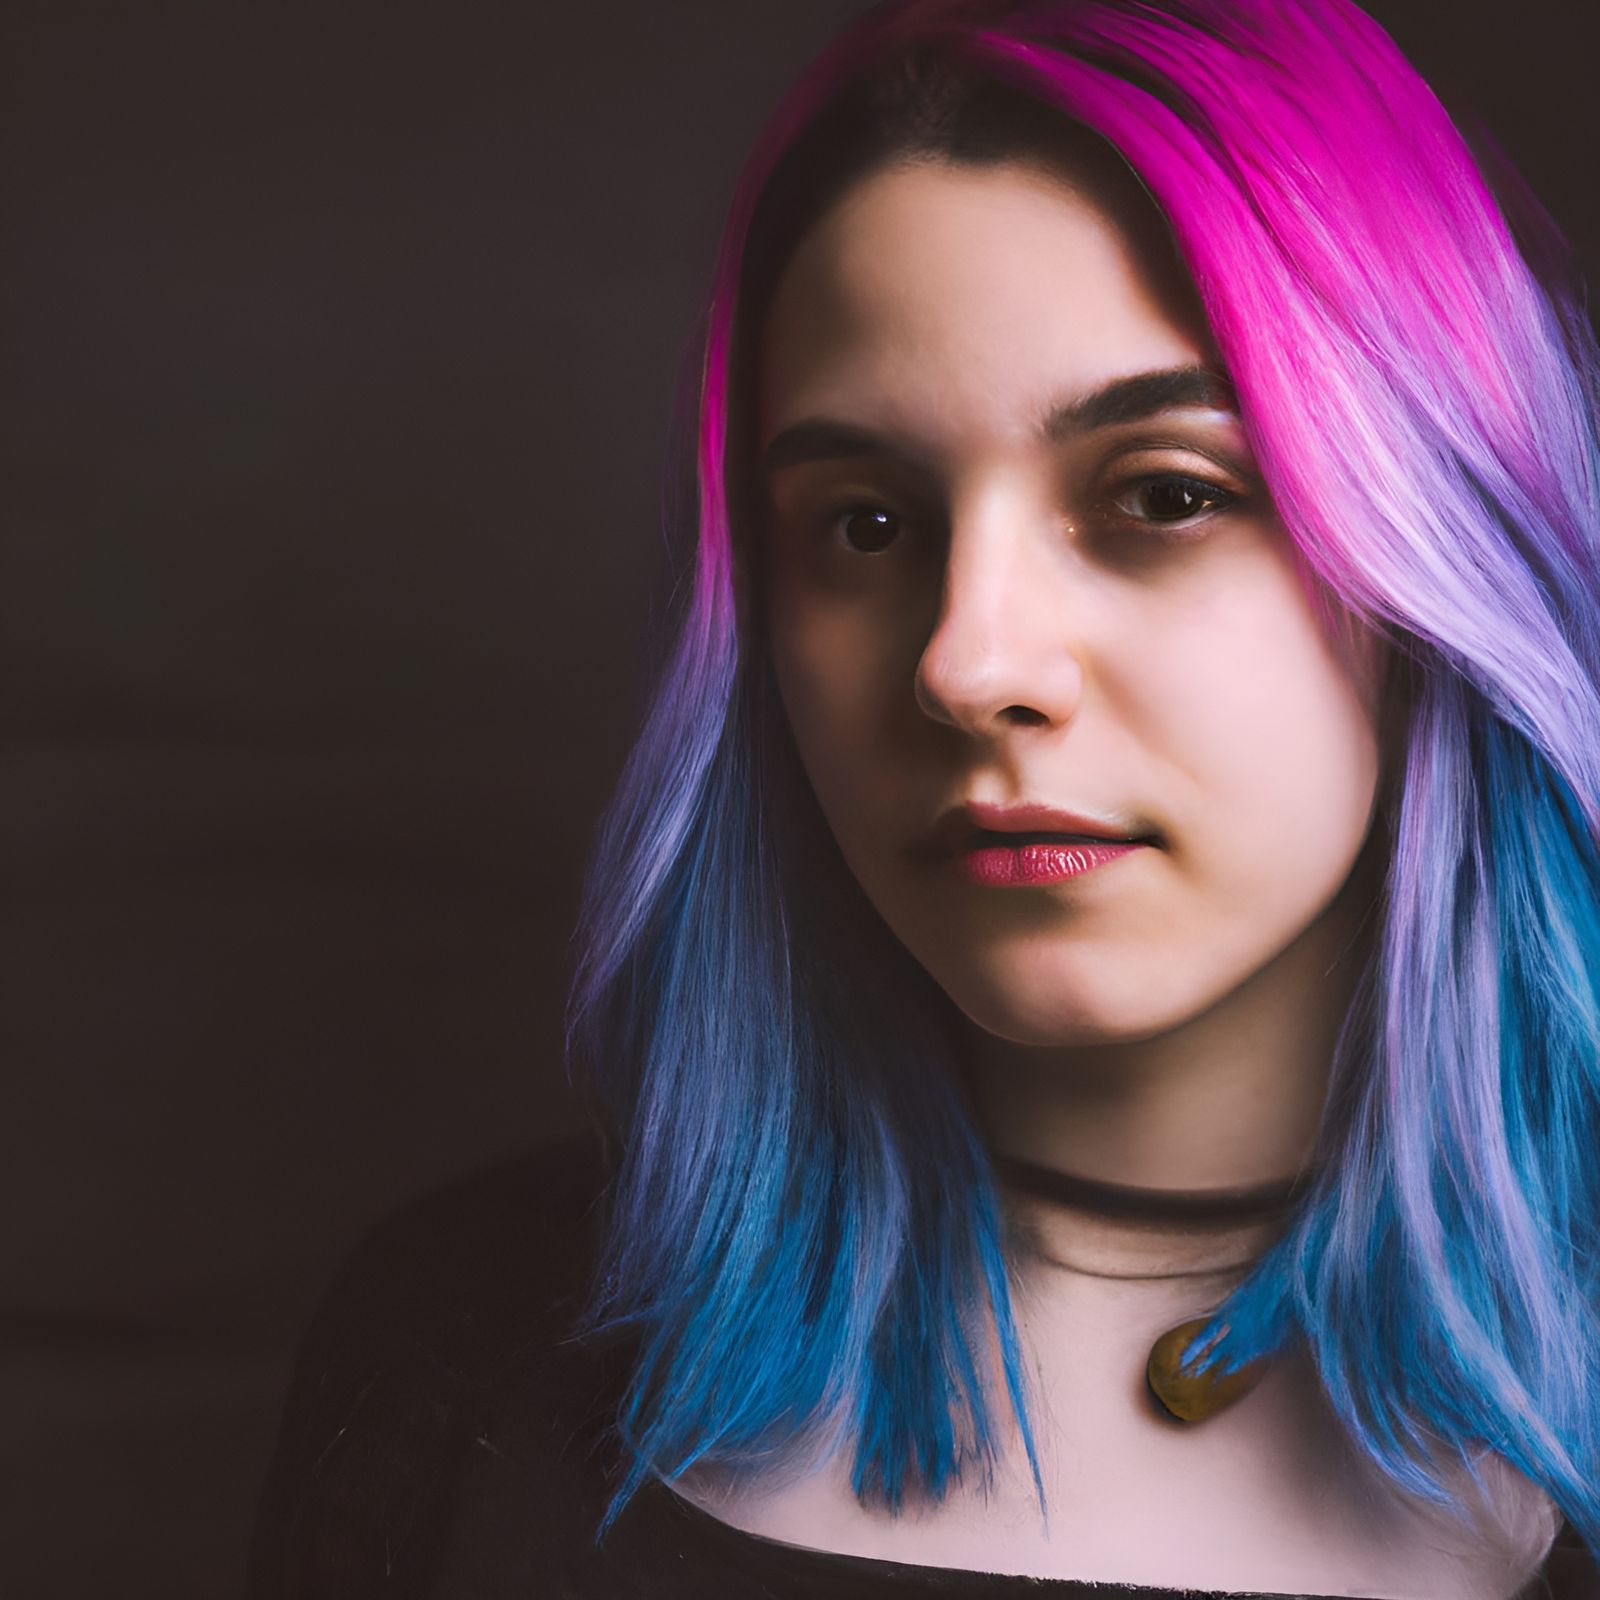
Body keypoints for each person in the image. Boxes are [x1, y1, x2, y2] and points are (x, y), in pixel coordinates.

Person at [248, 0, 1600, 1595]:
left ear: (1443, 550)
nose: (968, 663)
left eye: (1166, 495)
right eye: (869, 526)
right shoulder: (462, 1349)